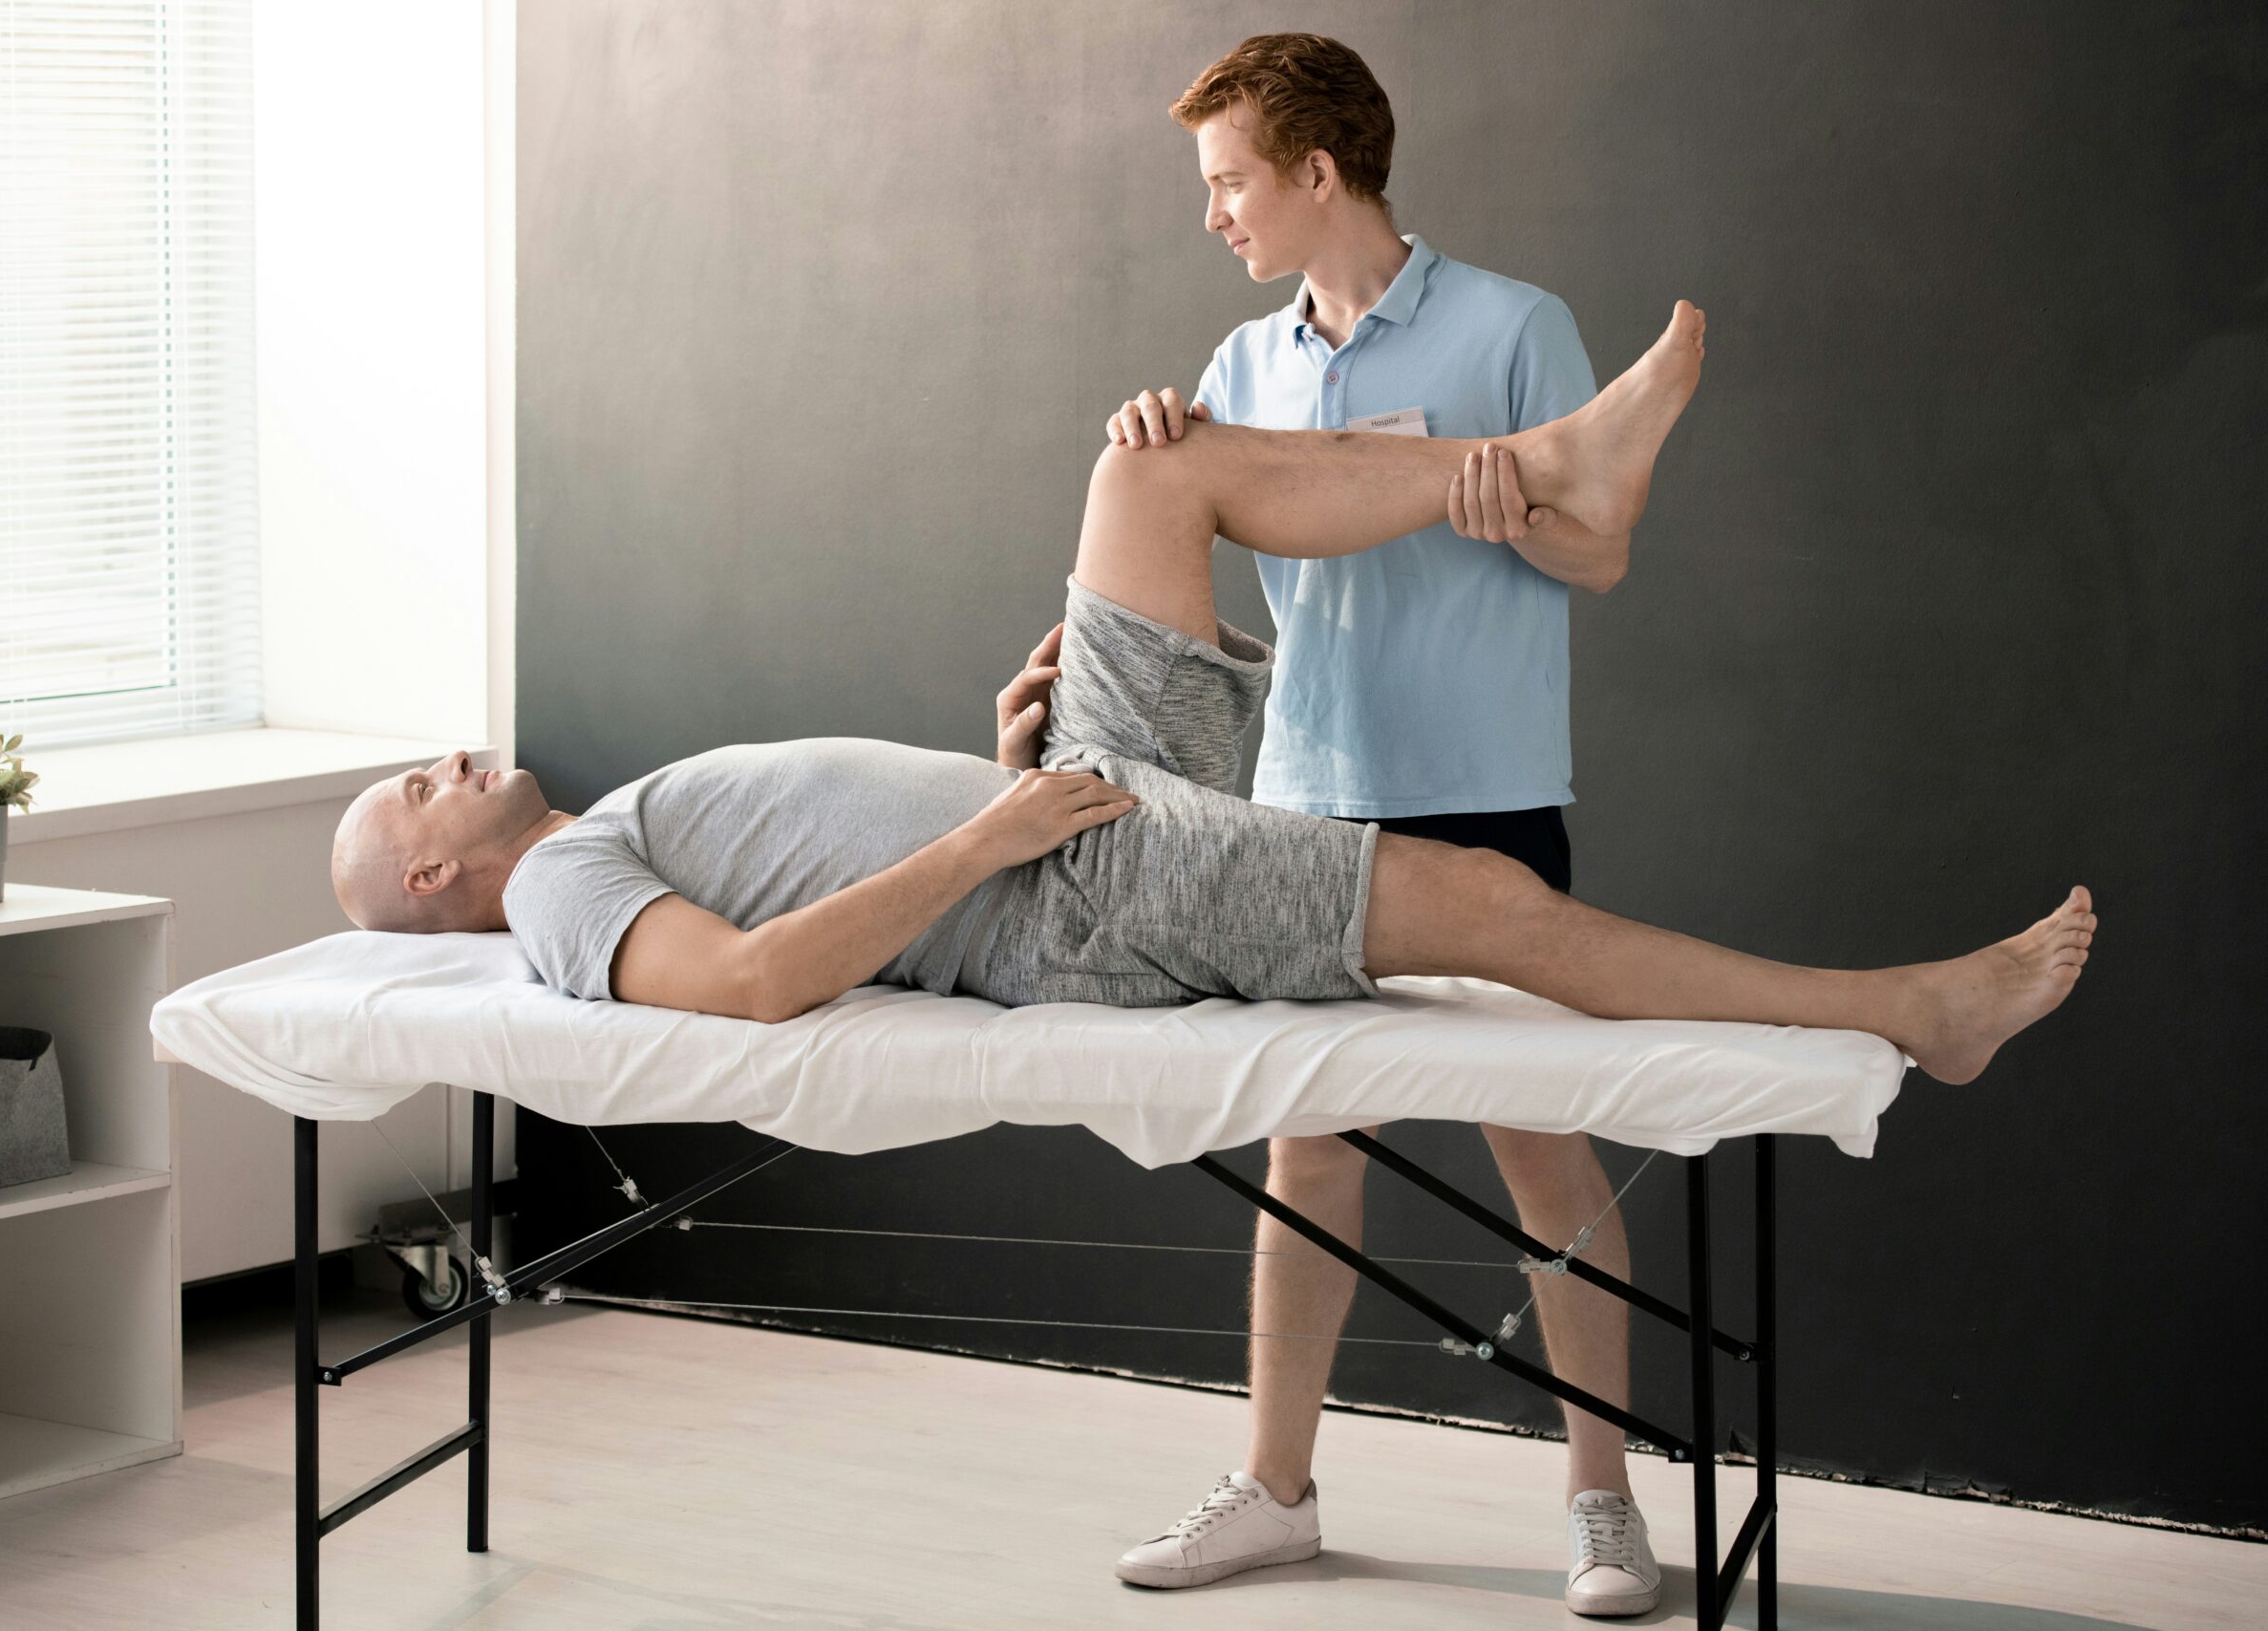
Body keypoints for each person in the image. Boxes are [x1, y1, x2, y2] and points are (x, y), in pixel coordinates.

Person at [330, 300, 2090, 1198]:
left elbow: (827, 882)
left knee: (1153, 466)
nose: (454, 757)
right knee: (1486, 903)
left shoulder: (595, 828)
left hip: (1070, 807)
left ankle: (1559, 460)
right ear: (430, 876)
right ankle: (1908, 1015)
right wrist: (980, 846)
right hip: (1082, 893)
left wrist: (990, 771)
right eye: (419, 786)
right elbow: (746, 991)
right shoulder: (561, 887)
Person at [1087, 31, 1659, 1609]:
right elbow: (1200, 587)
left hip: (1482, 801)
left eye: (1230, 183)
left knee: (1548, 1167)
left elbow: (1604, 558)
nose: (1215, 217)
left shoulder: (1515, 324)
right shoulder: (1239, 367)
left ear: (1316, 171)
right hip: (1303, 805)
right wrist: (1160, 455)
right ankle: (1276, 1489)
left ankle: (1604, 1501)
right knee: (1308, 1161)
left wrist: (1521, 513)